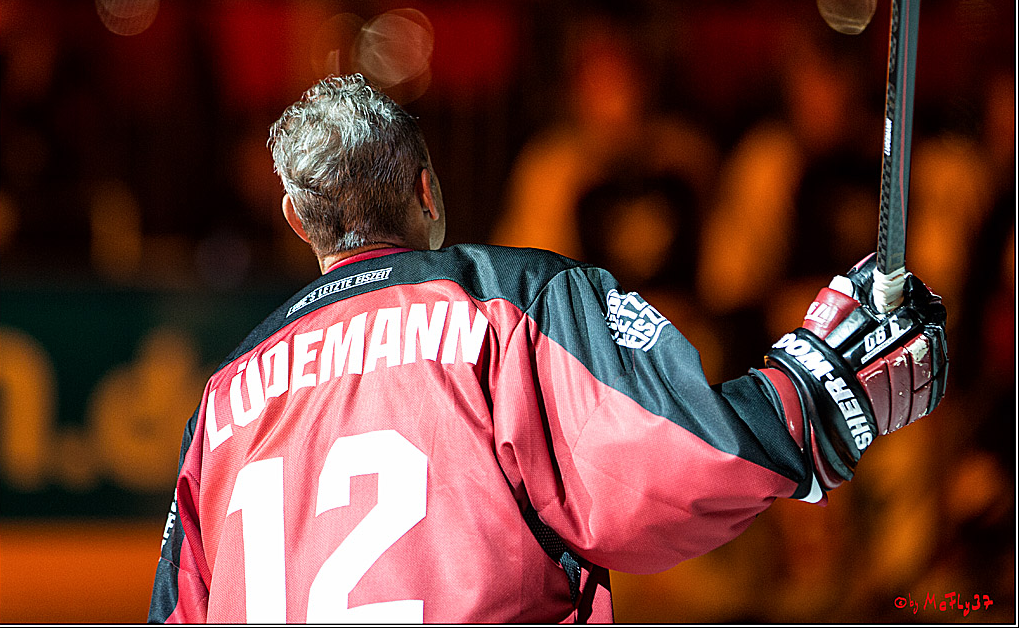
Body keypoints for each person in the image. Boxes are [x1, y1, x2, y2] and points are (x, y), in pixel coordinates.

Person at [147, 74, 948, 623]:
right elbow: (667, 458)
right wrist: (812, 395)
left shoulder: (222, 396)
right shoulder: (509, 306)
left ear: (297, 219)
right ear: (429, 189)